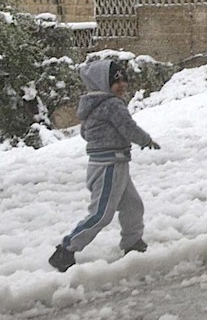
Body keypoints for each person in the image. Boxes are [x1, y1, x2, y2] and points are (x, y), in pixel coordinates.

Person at [48, 59, 161, 272]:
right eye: (115, 81)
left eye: (124, 80)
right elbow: (128, 127)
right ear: (102, 82)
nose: (122, 85)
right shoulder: (112, 104)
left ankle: (133, 243)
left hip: (111, 162)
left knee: (132, 205)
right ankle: (65, 249)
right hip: (109, 164)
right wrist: (145, 140)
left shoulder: (92, 105)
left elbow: (85, 132)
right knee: (101, 214)